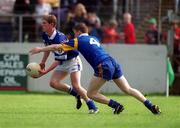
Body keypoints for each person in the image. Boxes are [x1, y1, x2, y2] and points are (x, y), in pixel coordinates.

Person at [29, 23, 161, 115]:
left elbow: (56, 47)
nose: (74, 35)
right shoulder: (94, 38)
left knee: (91, 94)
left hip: (103, 66)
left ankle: (116, 105)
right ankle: (150, 105)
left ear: (78, 32)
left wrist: (40, 49)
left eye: (75, 33)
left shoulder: (77, 41)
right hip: (113, 62)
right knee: (128, 89)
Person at [32, 15, 98, 114]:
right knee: (53, 83)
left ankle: (92, 106)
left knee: (76, 85)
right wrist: (43, 62)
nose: (42, 25)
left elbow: (57, 61)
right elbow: (48, 48)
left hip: (73, 61)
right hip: (63, 61)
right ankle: (77, 95)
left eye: (44, 23)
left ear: (52, 24)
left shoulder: (59, 38)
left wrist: (44, 72)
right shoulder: (45, 34)